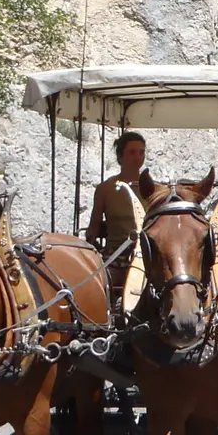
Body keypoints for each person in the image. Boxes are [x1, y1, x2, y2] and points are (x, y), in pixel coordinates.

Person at [85, 131, 159, 307]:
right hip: (116, 254)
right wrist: (89, 247)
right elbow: (94, 225)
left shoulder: (153, 188)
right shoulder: (105, 189)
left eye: (142, 152)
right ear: (121, 157)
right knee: (98, 282)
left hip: (147, 254)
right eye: (132, 152)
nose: (138, 157)